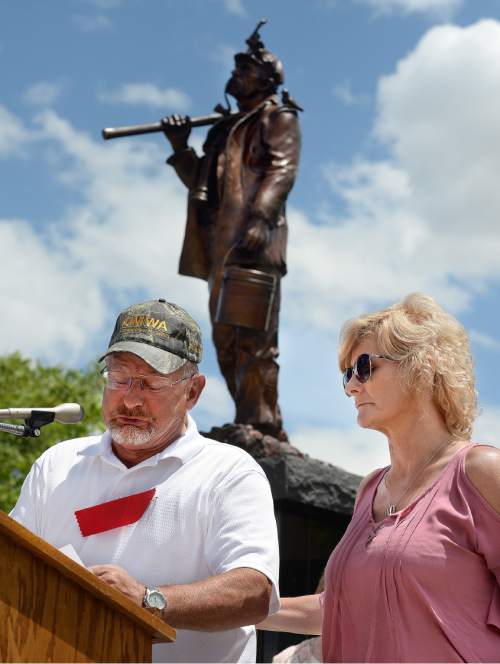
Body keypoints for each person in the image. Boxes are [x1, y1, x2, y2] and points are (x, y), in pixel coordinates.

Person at [10, 298, 280, 663]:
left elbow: (255, 592)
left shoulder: (230, 474)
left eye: (152, 383)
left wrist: (148, 599)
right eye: (120, 378)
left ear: (193, 392)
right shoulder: (57, 465)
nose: (131, 400)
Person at [258, 293, 500, 662]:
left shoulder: (481, 472)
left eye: (365, 367)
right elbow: (338, 607)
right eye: (347, 374)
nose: (352, 386)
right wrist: (226, 607)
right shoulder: (370, 489)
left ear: (424, 365)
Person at [162, 21, 301, 439]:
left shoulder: (278, 118)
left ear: (266, 77)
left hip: (253, 243)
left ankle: (262, 421)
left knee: (253, 337)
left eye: (246, 67)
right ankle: (248, 414)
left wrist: (260, 220)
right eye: (236, 66)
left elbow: (281, 171)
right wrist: (181, 147)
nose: (236, 73)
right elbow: (204, 186)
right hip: (221, 247)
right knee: (225, 338)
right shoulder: (225, 128)